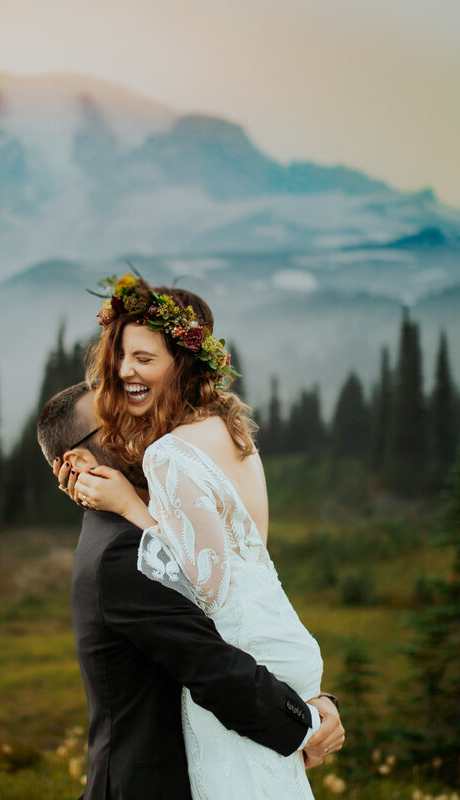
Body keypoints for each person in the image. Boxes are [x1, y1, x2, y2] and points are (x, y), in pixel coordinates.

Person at [62, 274, 342, 799]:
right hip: (280, 647)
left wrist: (129, 505)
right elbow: (248, 560)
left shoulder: (170, 455)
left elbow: (207, 592)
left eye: (143, 359)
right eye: (120, 357)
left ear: (183, 363)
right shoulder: (237, 438)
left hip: (241, 663)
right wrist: (309, 705)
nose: (123, 373)